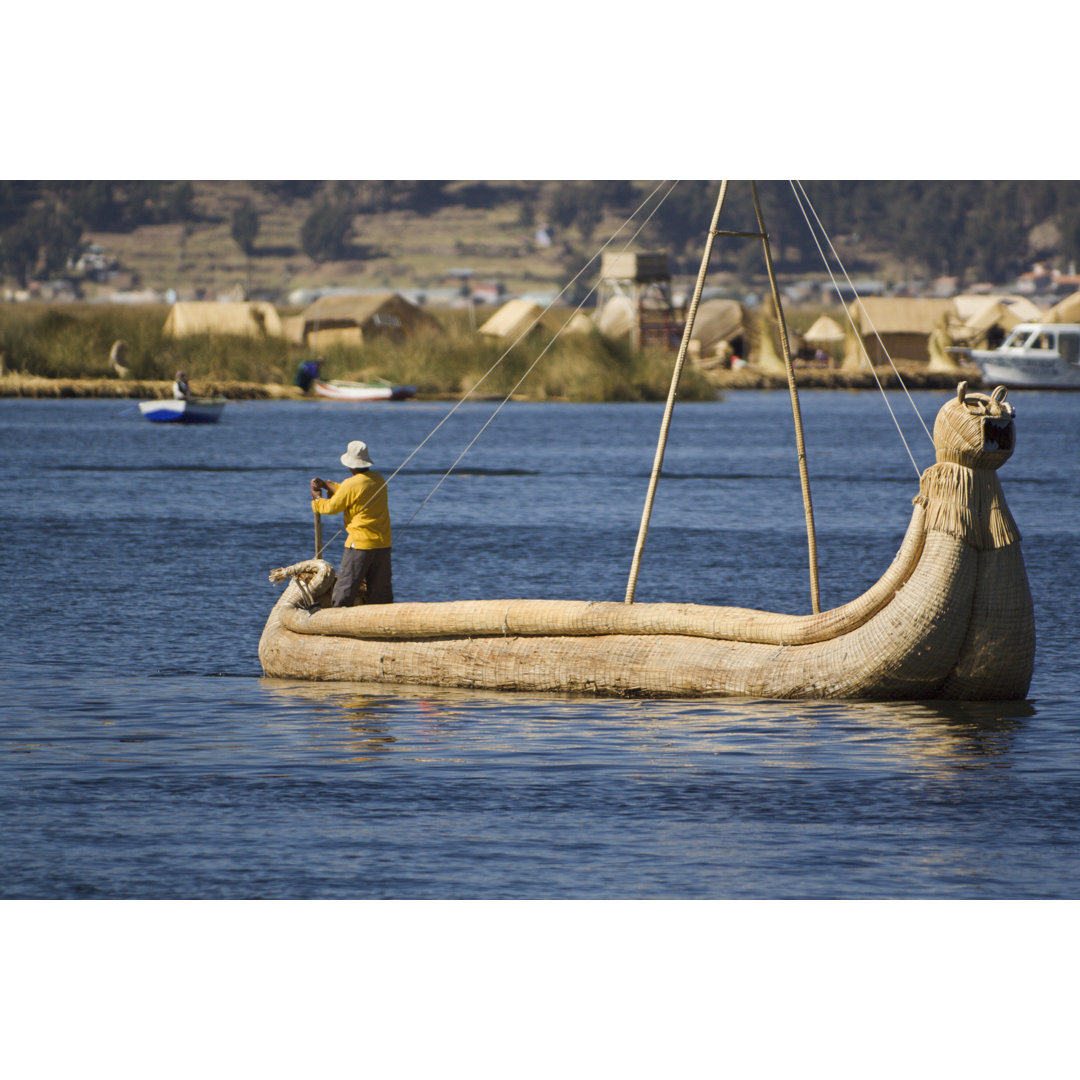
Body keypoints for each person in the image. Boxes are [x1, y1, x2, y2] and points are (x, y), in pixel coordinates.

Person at [311, 440, 393, 607]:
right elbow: (351, 493)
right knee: (380, 594)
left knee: (345, 590)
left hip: (360, 544)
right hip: (382, 543)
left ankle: (335, 623)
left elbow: (332, 507)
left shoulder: (351, 484)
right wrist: (328, 485)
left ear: (350, 465)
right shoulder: (378, 479)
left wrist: (317, 499)